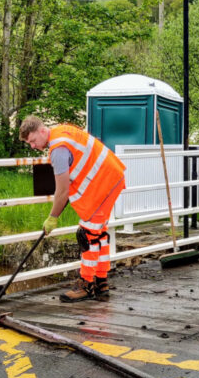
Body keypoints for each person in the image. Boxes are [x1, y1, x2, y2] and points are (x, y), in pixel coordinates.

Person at [19, 116, 127, 302]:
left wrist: (53, 217)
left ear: (42, 131)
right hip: (111, 178)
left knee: (87, 235)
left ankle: (86, 284)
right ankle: (101, 282)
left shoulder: (58, 151)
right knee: (99, 233)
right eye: (29, 143)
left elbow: (62, 191)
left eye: (33, 141)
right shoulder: (64, 131)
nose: (33, 146)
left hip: (101, 185)